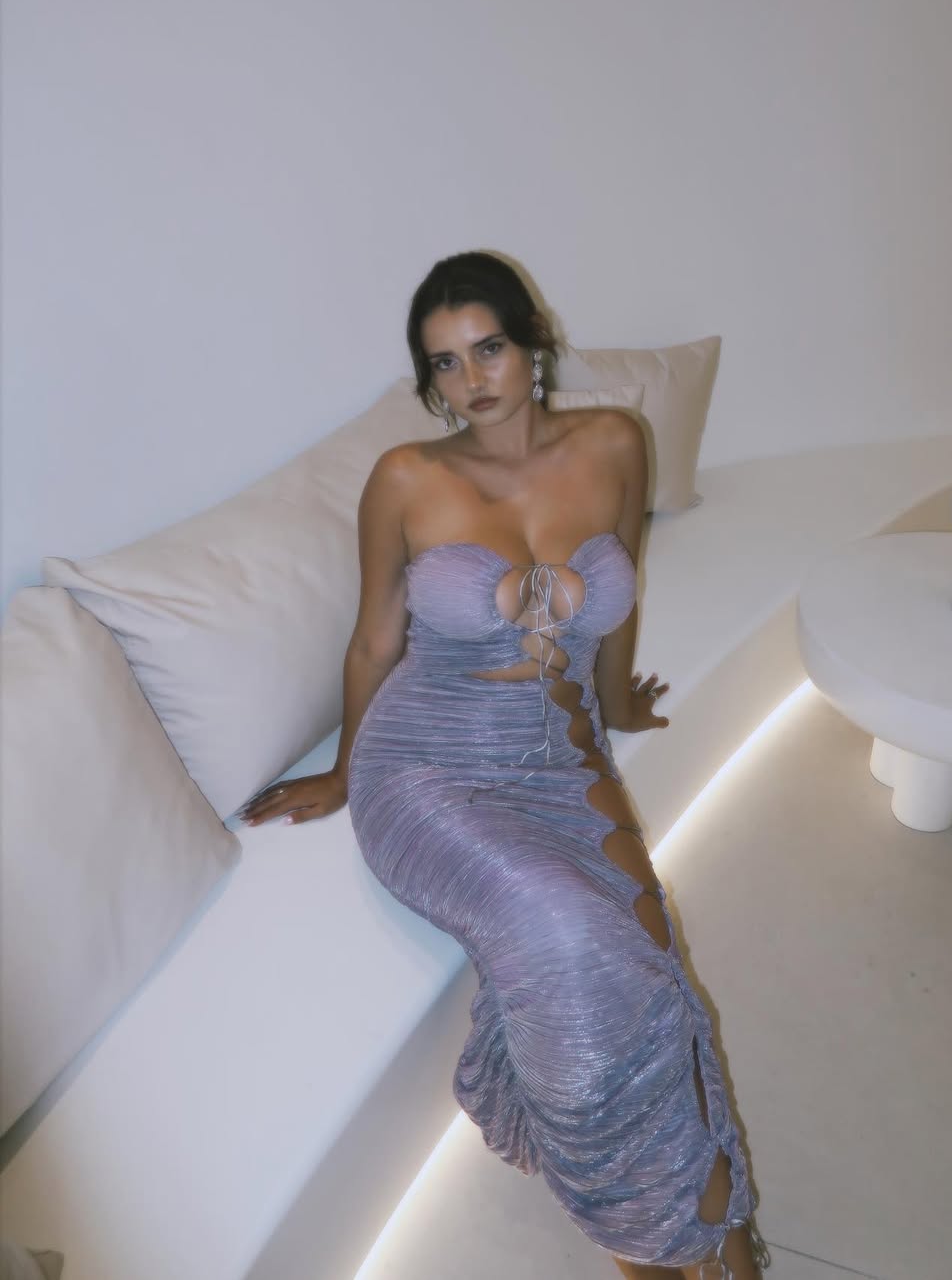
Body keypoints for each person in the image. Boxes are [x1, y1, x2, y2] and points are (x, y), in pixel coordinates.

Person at [240, 252, 769, 1279]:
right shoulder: (407, 478)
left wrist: (616, 705)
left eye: (488, 347)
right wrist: (345, 772)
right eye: (446, 362)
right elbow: (374, 640)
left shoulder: (617, 441)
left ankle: (721, 1241)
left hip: (560, 754)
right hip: (425, 769)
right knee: (573, 935)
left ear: (535, 342)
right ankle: (648, 1242)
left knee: (653, 961)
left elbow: (624, 586)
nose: (472, 378)